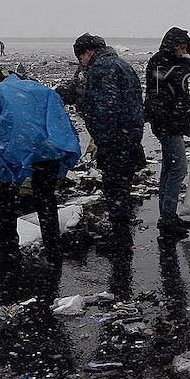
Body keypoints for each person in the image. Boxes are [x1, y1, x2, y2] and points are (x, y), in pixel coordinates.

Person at [0, 63, 81, 268]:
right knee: (45, 199)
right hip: (48, 151)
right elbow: (60, 120)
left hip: (16, 154)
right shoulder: (36, 88)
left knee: (6, 200)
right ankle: (54, 251)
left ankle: (9, 252)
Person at [71, 33, 147, 237]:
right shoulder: (122, 65)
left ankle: (120, 238)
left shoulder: (101, 68)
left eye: (81, 58)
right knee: (123, 186)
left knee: (114, 188)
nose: (82, 64)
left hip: (115, 140)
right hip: (129, 136)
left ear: (87, 52)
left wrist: (102, 139)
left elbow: (106, 107)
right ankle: (122, 230)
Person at [144, 28, 190, 235]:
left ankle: (168, 215)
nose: (184, 50)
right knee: (178, 168)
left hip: (169, 121)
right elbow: (177, 91)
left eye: (186, 47)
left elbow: (180, 94)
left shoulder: (165, 62)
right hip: (167, 122)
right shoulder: (161, 63)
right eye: (181, 46)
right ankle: (167, 217)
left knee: (169, 169)